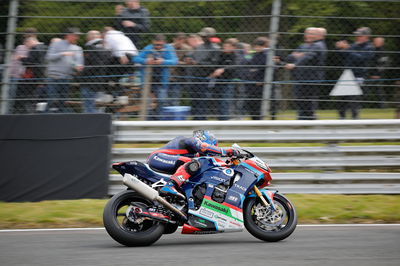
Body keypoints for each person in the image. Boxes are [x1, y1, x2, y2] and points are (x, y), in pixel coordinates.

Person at [148, 130, 239, 198]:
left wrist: (228, 164)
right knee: (194, 163)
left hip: (168, 161)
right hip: (159, 157)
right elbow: (203, 148)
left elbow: (211, 161)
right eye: (213, 146)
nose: (208, 154)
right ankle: (170, 186)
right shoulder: (191, 140)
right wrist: (227, 152)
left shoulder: (195, 153)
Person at [285, 27, 327, 120]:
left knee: (308, 102)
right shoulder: (304, 46)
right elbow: (290, 57)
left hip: (310, 79)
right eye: (307, 33)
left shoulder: (318, 45)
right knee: (300, 101)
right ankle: (303, 120)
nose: (308, 35)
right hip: (301, 77)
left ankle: (309, 121)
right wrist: (297, 56)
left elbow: (308, 58)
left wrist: (295, 63)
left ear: (317, 35)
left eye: (311, 33)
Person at [133, 34, 178, 119]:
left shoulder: (168, 48)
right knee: (147, 102)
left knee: (161, 100)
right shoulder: (148, 48)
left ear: (164, 43)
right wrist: (146, 60)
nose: (158, 46)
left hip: (161, 80)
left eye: (160, 45)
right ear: (152, 42)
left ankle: (159, 120)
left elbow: (174, 61)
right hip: (147, 80)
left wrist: (163, 61)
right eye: (156, 44)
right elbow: (135, 58)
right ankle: (148, 120)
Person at [335, 27, 375, 119]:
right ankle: (341, 119)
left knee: (353, 100)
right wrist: (340, 48)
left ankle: (355, 119)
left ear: (366, 36)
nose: (357, 37)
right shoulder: (354, 45)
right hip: (347, 75)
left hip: (358, 75)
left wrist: (347, 48)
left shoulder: (369, 47)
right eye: (357, 35)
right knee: (341, 100)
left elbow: (360, 58)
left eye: (360, 35)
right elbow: (344, 56)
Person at [45, 27, 84, 112]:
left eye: (78, 36)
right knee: (52, 100)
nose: (77, 38)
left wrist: (78, 66)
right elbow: (49, 57)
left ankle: (60, 120)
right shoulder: (56, 44)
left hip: (67, 78)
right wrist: (62, 53)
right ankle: (47, 118)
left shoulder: (78, 48)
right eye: (75, 36)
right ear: (68, 35)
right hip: (54, 77)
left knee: (62, 101)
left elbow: (79, 63)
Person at [188, 27, 221, 120]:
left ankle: (201, 119)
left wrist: (198, 63)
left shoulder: (215, 49)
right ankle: (195, 118)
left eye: (204, 36)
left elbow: (214, 64)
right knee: (194, 99)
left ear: (210, 36)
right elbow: (195, 58)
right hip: (195, 76)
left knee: (203, 99)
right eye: (202, 35)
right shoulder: (199, 47)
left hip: (206, 77)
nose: (202, 37)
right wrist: (190, 61)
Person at [80, 30, 112, 113]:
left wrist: (82, 70)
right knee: (99, 105)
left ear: (89, 37)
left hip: (89, 81)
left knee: (89, 107)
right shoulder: (106, 48)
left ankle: (90, 123)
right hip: (101, 81)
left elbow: (95, 65)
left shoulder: (91, 48)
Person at [209, 38, 238, 120]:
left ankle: (225, 119)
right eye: (225, 46)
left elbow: (235, 66)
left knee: (225, 101)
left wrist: (223, 69)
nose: (225, 48)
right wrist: (213, 72)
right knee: (217, 100)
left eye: (228, 46)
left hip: (228, 82)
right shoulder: (220, 54)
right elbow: (215, 64)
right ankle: (220, 118)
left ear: (233, 48)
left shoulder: (235, 56)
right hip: (218, 81)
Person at [20, 36, 48, 113]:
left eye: (26, 45)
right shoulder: (46, 47)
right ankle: (40, 113)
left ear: (29, 42)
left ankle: (30, 114)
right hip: (44, 77)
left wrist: (22, 58)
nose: (27, 47)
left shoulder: (34, 48)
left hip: (34, 78)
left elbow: (30, 63)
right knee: (42, 99)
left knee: (31, 98)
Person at [245, 36, 269, 120]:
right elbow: (250, 67)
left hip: (260, 84)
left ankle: (259, 120)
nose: (257, 48)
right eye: (256, 46)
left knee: (258, 105)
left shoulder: (267, 56)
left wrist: (262, 80)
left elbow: (267, 70)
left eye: (260, 46)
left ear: (264, 46)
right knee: (251, 104)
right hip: (252, 84)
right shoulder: (254, 55)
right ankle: (254, 120)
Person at [170, 33, 192, 106]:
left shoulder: (187, 49)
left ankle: (173, 116)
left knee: (175, 100)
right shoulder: (168, 47)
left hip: (178, 77)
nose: (179, 42)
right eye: (178, 39)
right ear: (174, 39)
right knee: (164, 99)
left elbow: (188, 63)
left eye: (182, 40)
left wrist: (176, 62)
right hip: (166, 76)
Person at [370, 37, 390, 108]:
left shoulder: (383, 52)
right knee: (366, 89)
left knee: (379, 90)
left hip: (378, 75)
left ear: (381, 43)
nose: (374, 42)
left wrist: (378, 74)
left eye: (376, 41)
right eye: (374, 41)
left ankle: (383, 105)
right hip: (370, 74)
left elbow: (385, 65)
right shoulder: (372, 50)